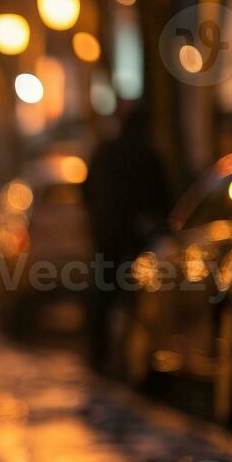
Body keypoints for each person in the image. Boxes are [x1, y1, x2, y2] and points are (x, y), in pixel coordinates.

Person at [82, 104, 171, 372]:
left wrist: (96, 218)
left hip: (106, 233)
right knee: (133, 295)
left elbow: (85, 190)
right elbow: (162, 196)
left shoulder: (105, 152)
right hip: (135, 236)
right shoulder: (148, 155)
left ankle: (98, 355)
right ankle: (130, 355)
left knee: (103, 294)